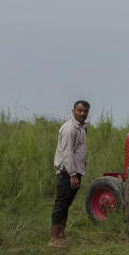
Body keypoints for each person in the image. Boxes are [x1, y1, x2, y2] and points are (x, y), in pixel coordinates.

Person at [49, 100, 90, 247]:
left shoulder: (82, 127)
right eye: (79, 111)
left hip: (75, 171)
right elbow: (67, 153)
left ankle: (61, 235)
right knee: (60, 204)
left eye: (85, 111)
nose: (82, 113)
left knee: (66, 204)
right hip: (67, 172)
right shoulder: (69, 128)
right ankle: (53, 239)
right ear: (73, 111)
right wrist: (72, 174)